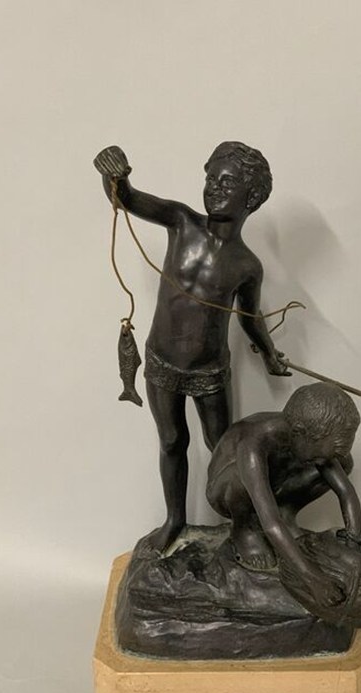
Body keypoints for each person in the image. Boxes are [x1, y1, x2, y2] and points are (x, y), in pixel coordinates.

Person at [94, 141, 290, 553]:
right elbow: (128, 198)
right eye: (210, 178)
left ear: (252, 197)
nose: (214, 187)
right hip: (161, 361)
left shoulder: (246, 265)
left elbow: (250, 318)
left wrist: (270, 354)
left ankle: (242, 525)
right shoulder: (182, 222)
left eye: (228, 183)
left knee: (224, 450)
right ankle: (175, 520)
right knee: (171, 441)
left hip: (209, 372)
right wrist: (115, 175)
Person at [206, 382, 361, 607]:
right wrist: (314, 580)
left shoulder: (306, 435)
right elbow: (271, 523)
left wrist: (354, 543)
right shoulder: (254, 441)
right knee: (242, 475)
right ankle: (245, 530)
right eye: (319, 456)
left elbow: (345, 491)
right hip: (229, 491)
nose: (322, 462)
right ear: (300, 432)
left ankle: (286, 515)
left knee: (344, 463)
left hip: (273, 486)